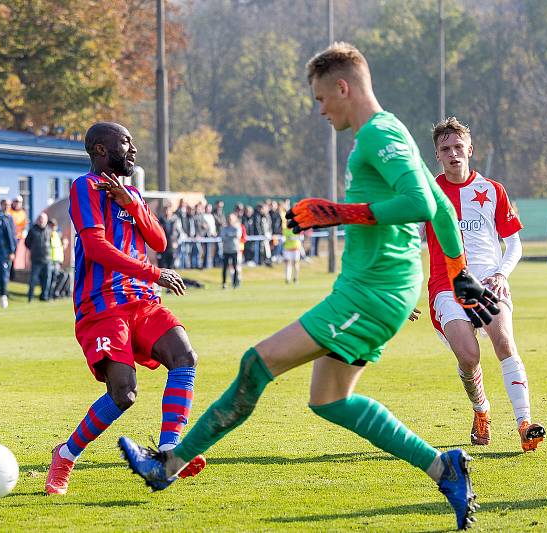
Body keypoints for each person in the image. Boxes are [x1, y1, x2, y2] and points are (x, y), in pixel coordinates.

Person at [118, 42, 501, 531]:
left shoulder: (378, 136)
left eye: (321, 99)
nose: (319, 110)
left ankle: (166, 466)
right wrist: (459, 270)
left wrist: (338, 214)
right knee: (329, 399)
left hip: (372, 290)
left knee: (256, 364)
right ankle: (443, 467)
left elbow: (420, 205)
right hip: (377, 288)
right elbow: (442, 207)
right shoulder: (392, 131)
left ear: (343, 87)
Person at [45, 122, 206, 495]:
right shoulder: (83, 188)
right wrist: (153, 272)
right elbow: (98, 248)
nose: (133, 150)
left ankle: (167, 450)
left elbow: (159, 239)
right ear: (101, 150)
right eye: (126, 143)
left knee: (185, 357)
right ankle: (66, 455)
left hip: (142, 302)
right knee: (124, 394)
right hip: (102, 306)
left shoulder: (130, 192)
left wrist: (131, 204)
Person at [413, 116, 544, 452]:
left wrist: (501, 274)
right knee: (469, 357)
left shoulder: (491, 190)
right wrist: (399, 292)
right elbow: (407, 245)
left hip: (486, 282)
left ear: (470, 149)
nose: (454, 153)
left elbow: (514, 243)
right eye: (446, 149)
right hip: (447, 287)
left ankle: (524, 424)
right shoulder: (427, 193)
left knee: (503, 342)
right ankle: (481, 409)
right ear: (437, 156)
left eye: (459, 147)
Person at [25, 212, 52, 302]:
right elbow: (27, 243)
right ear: (37, 220)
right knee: (33, 279)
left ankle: (44, 296)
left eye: (43, 219)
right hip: (36, 259)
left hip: (47, 259)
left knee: (47, 279)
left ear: (46, 220)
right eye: (40, 218)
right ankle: (30, 297)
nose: (41, 220)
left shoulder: (49, 230)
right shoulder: (32, 230)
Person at [219, 213, 241, 289]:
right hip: (226, 250)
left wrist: (228, 235)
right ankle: (224, 283)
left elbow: (237, 236)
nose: (229, 220)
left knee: (235, 267)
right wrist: (230, 235)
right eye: (228, 219)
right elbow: (223, 238)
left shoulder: (237, 228)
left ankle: (235, 283)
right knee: (225, 268)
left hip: (234, 249)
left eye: (231, 219)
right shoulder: (224, 228)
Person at [158, 204, 183, 269]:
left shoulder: (175, 220)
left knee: (171, 265)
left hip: (172, 246)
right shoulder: (160, 221)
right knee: (162, 265)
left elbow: (180, 233)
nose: (167, 212)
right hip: (163, 246)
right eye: (166, 210)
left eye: (168, 210)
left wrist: (176, 242)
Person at [9, 195, 28, 280]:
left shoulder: (23, 213)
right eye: (16, 201)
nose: (17, 204)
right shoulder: (9, 211)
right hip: (8, 237)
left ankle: (11, 274)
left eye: (19, 202)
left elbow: (24, 225)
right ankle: (8, 273)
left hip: (17, 238)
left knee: (14, 256)